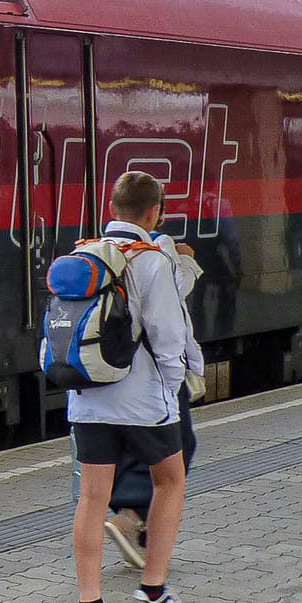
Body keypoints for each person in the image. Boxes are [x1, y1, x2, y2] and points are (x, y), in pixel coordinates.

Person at [70, 170, 198, 603]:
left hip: (87, 398)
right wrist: (170, 390)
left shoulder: (82, 254)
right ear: (154, 213)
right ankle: (154, 592)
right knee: (170, 482)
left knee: (91, 497)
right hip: (143, 401)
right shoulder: (151, 260)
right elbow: (169, 338)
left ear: (111, 211)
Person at [103, 231, 202, 571]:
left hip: (107, 376)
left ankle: (94, 595)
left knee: (109, 466)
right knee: (177, 448)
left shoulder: (98, 249)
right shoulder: (158, 248)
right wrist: (187, 261)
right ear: (154, 213)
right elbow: (170, 305)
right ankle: (133, 523)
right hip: (151, 377)